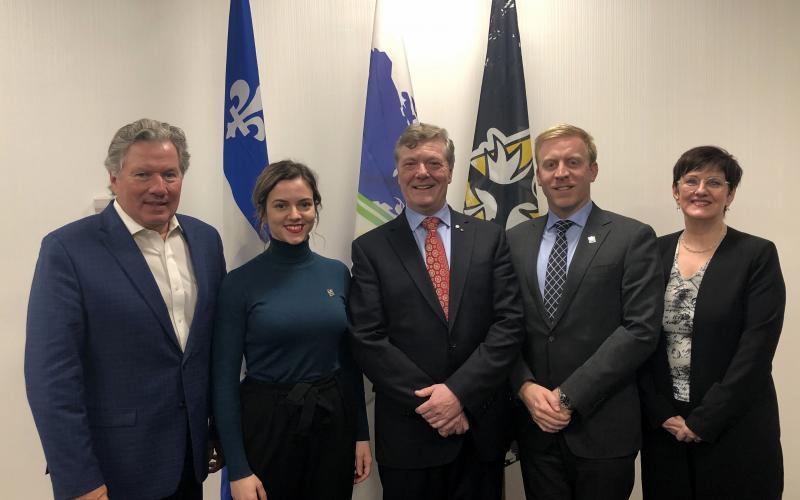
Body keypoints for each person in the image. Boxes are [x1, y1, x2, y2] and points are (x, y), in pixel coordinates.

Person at [25, 118, 227, 499]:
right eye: (142, 174)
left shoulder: (205, 240)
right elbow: (50, 378)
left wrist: (214, 432)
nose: (158, 187)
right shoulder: (68, 250)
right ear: (113, 178)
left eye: (170, 173)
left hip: (189, 461)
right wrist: (79, 481)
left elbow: (206, 350)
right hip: (112, 471)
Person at [348, 122, 524, 500]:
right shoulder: (370, 249)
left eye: (433, 162)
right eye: (411, 163)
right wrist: (435, 404)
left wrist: (458, 393)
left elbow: (508, 324)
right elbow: (368, 339)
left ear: (450, 170)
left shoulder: (489, 238)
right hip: (410, 434)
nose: (422, 172)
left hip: (479, 431)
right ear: (398, 174)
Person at [507, 123, 663, 500]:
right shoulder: (513, 240)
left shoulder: (632, 237)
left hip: (603, 427)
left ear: (592, 170)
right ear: (539, 177)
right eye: (550, 164)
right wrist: (524, 387)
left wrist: (568, 395)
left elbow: (639, 329)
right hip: (535, 427)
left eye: (573, 162)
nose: (561, 173)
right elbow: (502, 325)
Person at [212, 160, 372, 500]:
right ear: (263, 211)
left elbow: (349, 362)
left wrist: (361, 433)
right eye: (281, 205)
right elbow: (223, 383)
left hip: (332, 422)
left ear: (315, 207)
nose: (295, 215)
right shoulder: (238, 284)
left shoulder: (337, 274)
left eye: (304, 203)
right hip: (267, 426)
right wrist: (238, 468)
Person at [638, 146, 785, 499]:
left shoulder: (757, 255)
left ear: (730, 194)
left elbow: (756, 348)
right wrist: (660, 413)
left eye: (714, 182)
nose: (701, 189)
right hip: (666, 427)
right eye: (691, 180)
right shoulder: (651, 253)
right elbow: (635, 336)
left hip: (735, 423)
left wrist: (706, 420)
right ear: (676, 191)